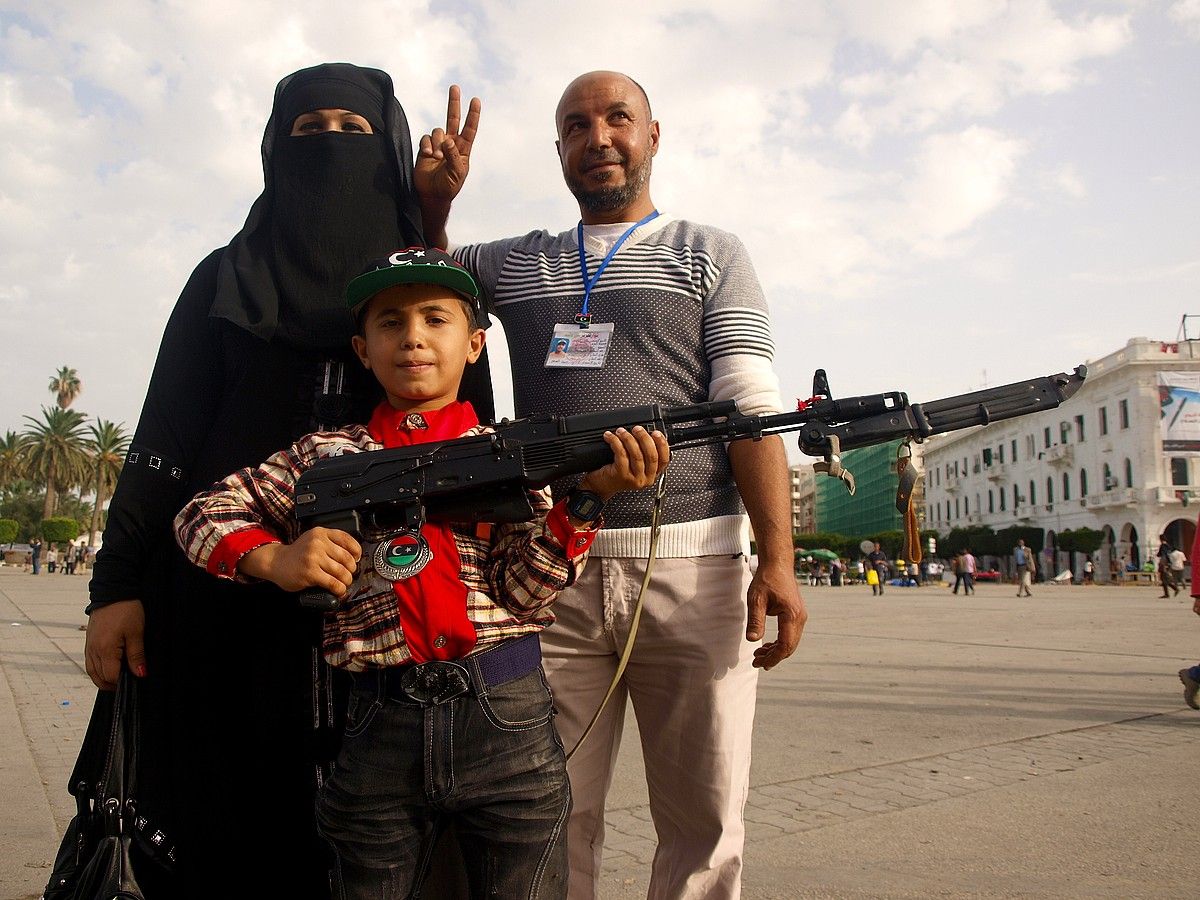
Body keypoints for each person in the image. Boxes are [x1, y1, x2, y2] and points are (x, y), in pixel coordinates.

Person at [80, 63, 494, 899]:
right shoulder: (224, 280)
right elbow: (163, 443)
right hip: (218, 599)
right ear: (274, 149)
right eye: (311, 132)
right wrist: (115, 586)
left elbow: (471, 442)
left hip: (383, 619)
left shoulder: (414, 294)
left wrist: (432, 218)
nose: (332, 146)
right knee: (222, 829)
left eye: (355, 131)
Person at [419, 71, 807, 899]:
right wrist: (436, 208)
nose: (598, 137)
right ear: (558, 150)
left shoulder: (710, 253)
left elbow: (749, 407)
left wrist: (778, 557)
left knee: (705, 820)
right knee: (546, 808)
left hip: (697, 569)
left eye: (617, 119)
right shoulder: (517, 263)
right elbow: (419, 287)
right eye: (575, 125)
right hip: (552, 569)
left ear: (653, 135)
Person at [174, 252, 668, 898]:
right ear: (363, 348)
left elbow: (523, 591)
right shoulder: (326, 456)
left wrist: (589, 498)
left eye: (436, 319)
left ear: (474, 345)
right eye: (390, 323)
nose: (412, 336)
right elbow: (200, 515)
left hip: (506, 716)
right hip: (380, 722)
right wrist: (278, 561)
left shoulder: (509, 456)